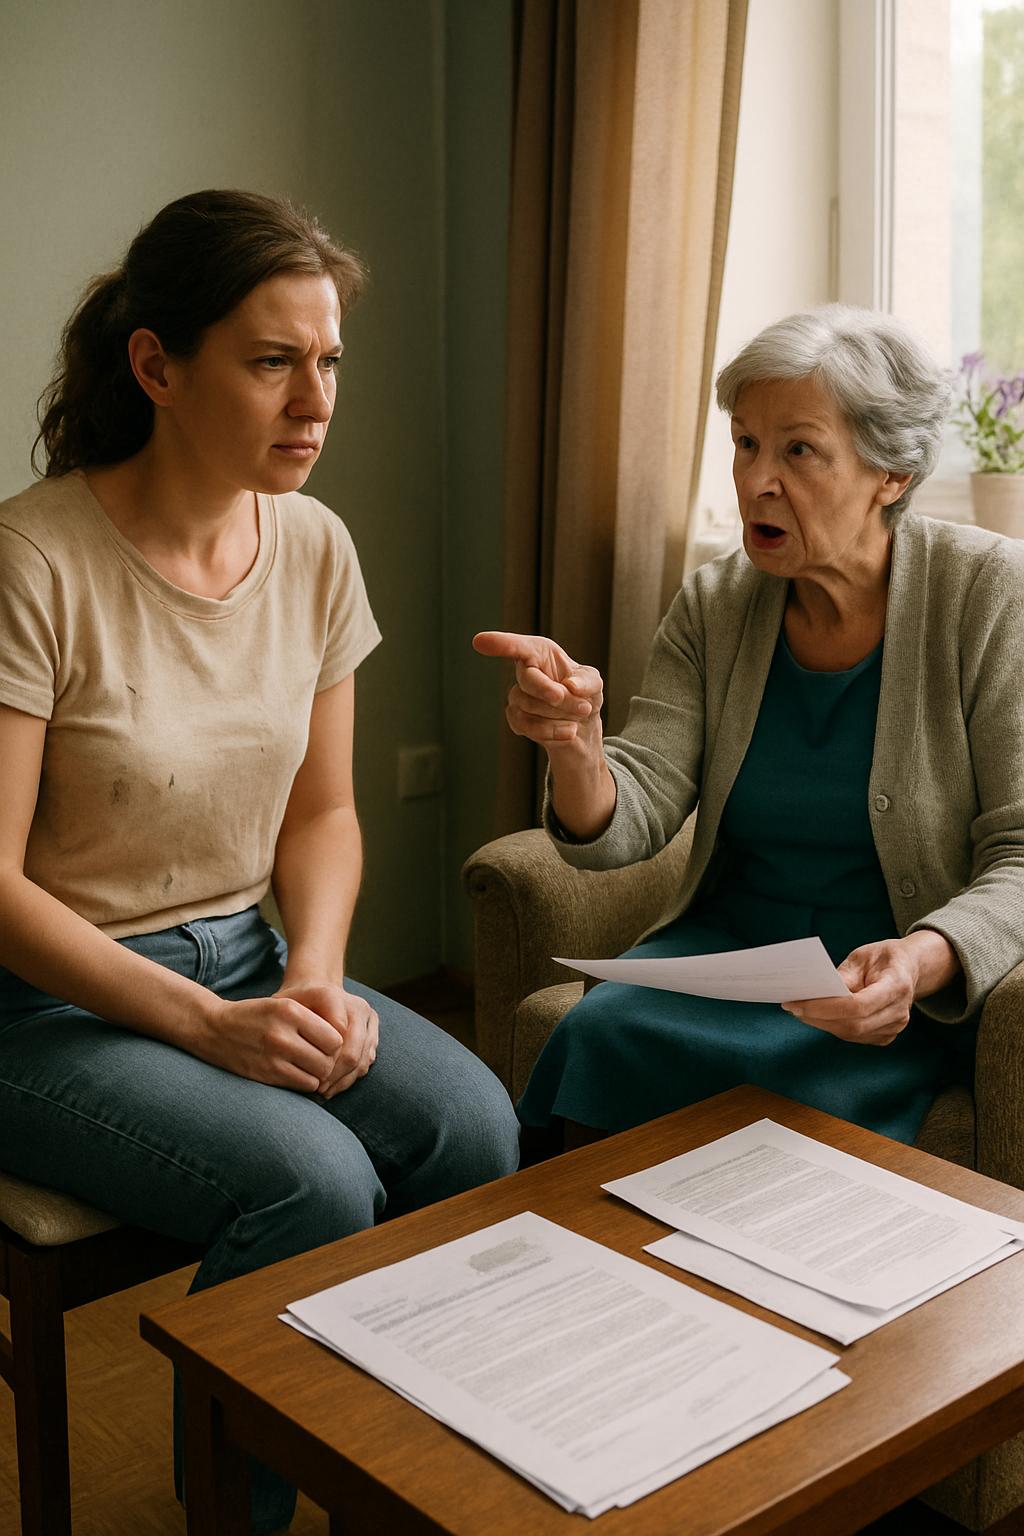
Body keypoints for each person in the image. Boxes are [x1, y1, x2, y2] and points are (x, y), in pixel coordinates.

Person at [0, 189, 518, 1535]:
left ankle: (394, 1482)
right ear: (158, 367)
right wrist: (207, 1026)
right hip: (45, 1006)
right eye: (272, 360)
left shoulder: (316, 546)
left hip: (253, 953)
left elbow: (322, 816)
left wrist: (322, 981)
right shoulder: (30, 560)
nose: (316, 398)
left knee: (475, 1129)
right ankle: (237, 1510)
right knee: (314, 1181)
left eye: (329, 359)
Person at [475, 304, 1024, 1151]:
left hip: (877, 977)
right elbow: (636, 811)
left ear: (892, 474)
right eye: (745, 443)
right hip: (731, 952)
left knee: (779, 1085)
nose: (757, 480)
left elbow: (1021, 853)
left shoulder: (987, 594)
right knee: (598, 1030)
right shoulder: (716, 602)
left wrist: (921, 958)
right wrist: (577, 745)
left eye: (798, 449)